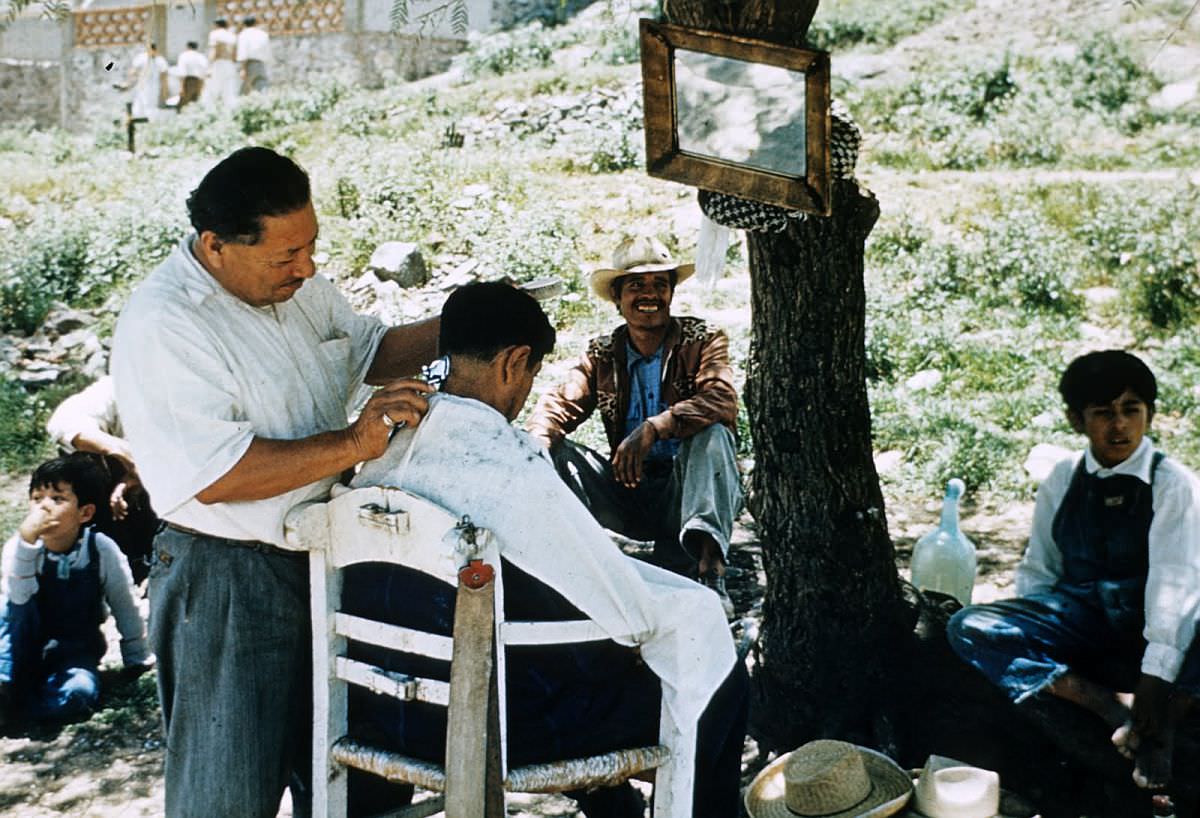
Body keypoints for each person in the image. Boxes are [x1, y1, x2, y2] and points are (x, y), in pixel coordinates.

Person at [111, 146, 439, 818]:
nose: (307, 267)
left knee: (356, 780)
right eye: (286, 255)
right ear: (216, 245)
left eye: (311, 245)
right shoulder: (166, 323)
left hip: (330, 559)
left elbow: (369, 350)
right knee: (227, 794)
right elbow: (221, 474)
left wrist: (467, 324)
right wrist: (354, 441)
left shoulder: (300, 287)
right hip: (225, 578)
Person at [348, 281, 747, 818]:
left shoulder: (384, 453)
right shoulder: (507, 463)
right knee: (713, 674)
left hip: (382, 711)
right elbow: (626, 613)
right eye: (531, 375)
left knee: (570, 651)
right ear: (515, 362)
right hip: (500, 725)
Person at [947, 350, 1200, 794]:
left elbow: (1174, 587)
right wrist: (1033, 628)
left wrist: (1154, 686)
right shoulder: (1062, 478)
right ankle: (1106, 706)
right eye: (1103, 413)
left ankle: (1158, 728)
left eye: (1131, 410)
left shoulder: (1172, 483)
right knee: (969, 625)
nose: (1119, 425)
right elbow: (1039, 571)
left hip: (1156, 625)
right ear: (1076, 420)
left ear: (1150, 415)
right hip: (1084, 618)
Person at [526, 235, 742, 616]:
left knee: (712, 435)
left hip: (684, 489)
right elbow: (560, 403)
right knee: (551, 453)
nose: (650, 295)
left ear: (672, 294)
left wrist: (655, 427)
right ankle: (562, 573)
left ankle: (710, 570)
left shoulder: (702, 339)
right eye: (637, 285)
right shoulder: (603, 353)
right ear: (617, 297)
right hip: (627, 488)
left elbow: (721, 398)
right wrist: (534, 443)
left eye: (660, 284)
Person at [0, 454, 152, 728]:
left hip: (71, 653)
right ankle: (13, 691)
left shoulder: (101, 549)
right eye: (37, 499)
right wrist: (27, 544)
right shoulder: (18, 548)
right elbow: (18, 599)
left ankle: (20, 704)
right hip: (16, 646)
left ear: (85, 512)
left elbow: (125, 604)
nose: (44, 508)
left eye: (57, 499)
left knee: (78, 694)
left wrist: (137, 656)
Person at [46, 376, 158, 585]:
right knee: (83, 460)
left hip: (164, 489)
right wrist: (122, 453)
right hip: (110, 486)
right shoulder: (118, 386)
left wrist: (135, 477)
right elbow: (63, 422)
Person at [124, 42, 168, 119]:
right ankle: (136, 121)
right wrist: (130, 81)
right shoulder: (142, 58)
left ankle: (150, 122)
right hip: (142, 85)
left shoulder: (159, 60)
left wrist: (164, 89)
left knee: (150, 105)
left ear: (155, 50)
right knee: (138, 105)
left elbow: (164, 74)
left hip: (153, 86)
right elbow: (133, 71)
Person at [204, 18, 239, 107]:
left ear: (216, 25)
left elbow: (214, 51)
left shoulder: (215, 34)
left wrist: (209, 66)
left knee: (213, 88)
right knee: (229, 90)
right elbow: (235, 55)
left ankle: (210, 111)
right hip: (230, 64)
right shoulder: (232, 36)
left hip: (218, 63)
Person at [236, 15, 271, 95]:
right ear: (255, 23)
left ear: (244, 24)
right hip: (260, 63)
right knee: (262, 85)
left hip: (249, 64)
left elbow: (243, 52)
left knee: (243, 87)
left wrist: (243, 68)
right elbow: (267, 51)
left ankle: (239, 104)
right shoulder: (263, 34)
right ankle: (267, 103)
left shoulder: (243, 35)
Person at [175, 41, 209, 109]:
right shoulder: (201, 56)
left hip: (188, 81)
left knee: (185, 103)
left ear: (188, 47)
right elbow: (206, 71)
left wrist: (181, 87)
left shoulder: (184, 55)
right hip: (199, 81)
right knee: (196, 102)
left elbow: (182, 72)